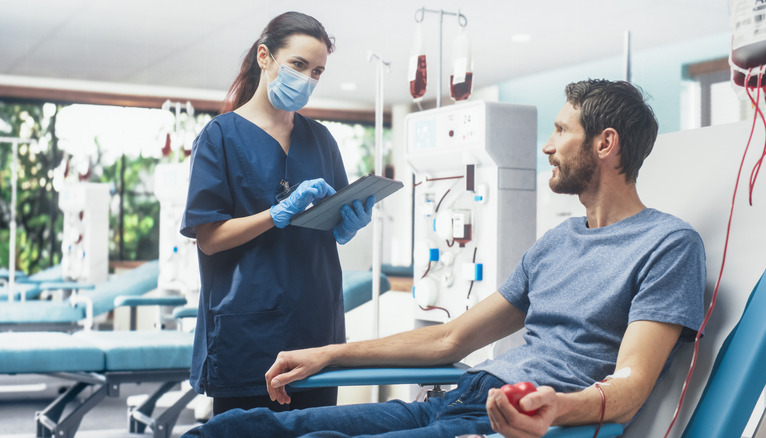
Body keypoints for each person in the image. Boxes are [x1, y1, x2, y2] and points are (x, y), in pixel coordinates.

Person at [182, 79, 706, 437]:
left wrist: (551, 408)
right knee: (253, 428)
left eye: (562, 131)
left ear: (605, 143)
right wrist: (329, 354)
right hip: (462, 396)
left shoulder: (667, 245)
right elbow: (450, 339)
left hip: (510, 420)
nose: (548, 146)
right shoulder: (557, 241)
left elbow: (632, 387)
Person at [180, 11, 375, 416]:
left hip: (318, 328)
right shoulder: (220, 137)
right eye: (298, 65)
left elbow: (330, 220)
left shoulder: (320, 138)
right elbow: (210, 239)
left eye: (318, 71)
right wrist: (276, 214)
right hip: (248, 333)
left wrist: (348, 224)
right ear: (264, 57)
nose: (308, 79)